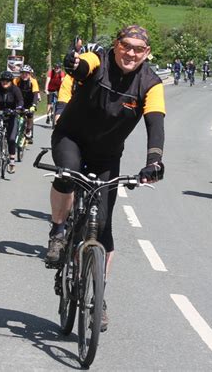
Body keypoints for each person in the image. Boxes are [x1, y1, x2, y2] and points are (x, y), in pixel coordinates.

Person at [46, 25, 165, 331]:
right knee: (67, 177)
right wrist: (74, 63)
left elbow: (155, 123)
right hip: (71, 138)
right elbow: (83, 64)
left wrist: (154, 161)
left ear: (147, 53)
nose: (131, 53)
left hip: (106, 155)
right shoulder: (99, 59)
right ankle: (58, 230)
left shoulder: (151, 84)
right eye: (126, 46)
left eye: (139, 49)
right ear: (116, 45)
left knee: (103, 230)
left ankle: (98, 294)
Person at [0, 71, 24, 174]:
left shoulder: (15, 89)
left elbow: (20, 101)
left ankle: (12, 162)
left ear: (11, 82)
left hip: (11, 114)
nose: (4, 83)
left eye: (7, 81)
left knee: (12, 139)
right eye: (3, 81)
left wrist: (18, 108)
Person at [14, 64, 40, 142]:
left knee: (30, 115)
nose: (24, 75)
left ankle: (28, 129)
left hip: (30, 100)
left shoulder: (33, 81)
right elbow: (13, 92)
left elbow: (35, 94)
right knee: (15, 115)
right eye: (22, 73)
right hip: (20, 100)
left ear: (30, 74)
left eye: (27, 73)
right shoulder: (16, 80)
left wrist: (34, 105)